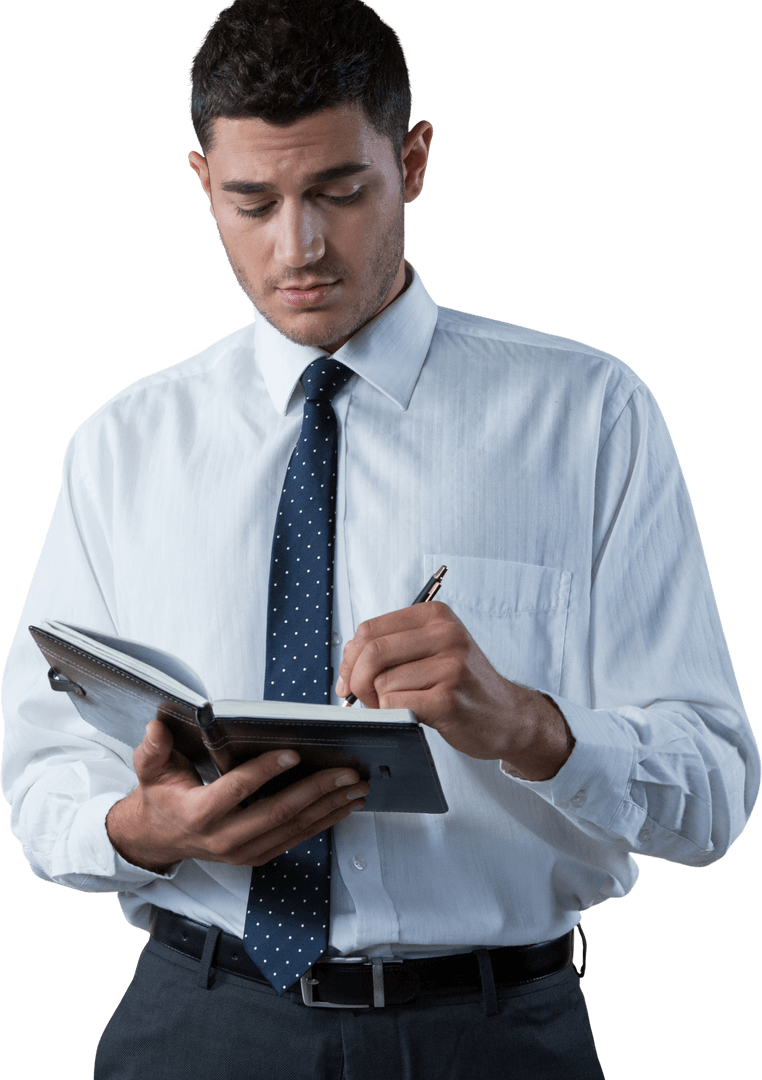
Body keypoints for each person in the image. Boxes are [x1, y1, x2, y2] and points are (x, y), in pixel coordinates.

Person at [1, 0, 758, 1076]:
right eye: (251, 202)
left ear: (413, 160)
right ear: (200, 185)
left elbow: (715, 791)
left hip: (491, 1034)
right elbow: (39, 775)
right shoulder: (122, 446)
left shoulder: (589, 416)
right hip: (199, 1016)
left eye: (339, 191)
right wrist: (144, 833)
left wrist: (528, 726)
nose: (297, 246)